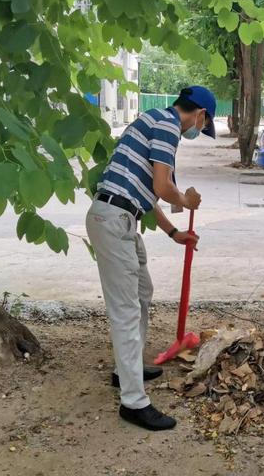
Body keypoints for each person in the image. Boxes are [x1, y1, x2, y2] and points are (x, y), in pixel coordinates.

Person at [85, 86, 217, 430]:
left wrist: (174, 232)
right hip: (113, 220)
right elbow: (162, 186)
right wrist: (186, 201)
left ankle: (125, 370)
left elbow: (148, 193)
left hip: (121, 218)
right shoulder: (168, 125)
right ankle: (133, 401)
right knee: (126, 309)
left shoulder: (154, 120)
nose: (197, 131)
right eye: (203, 126)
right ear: (199, 114)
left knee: (142, 293)